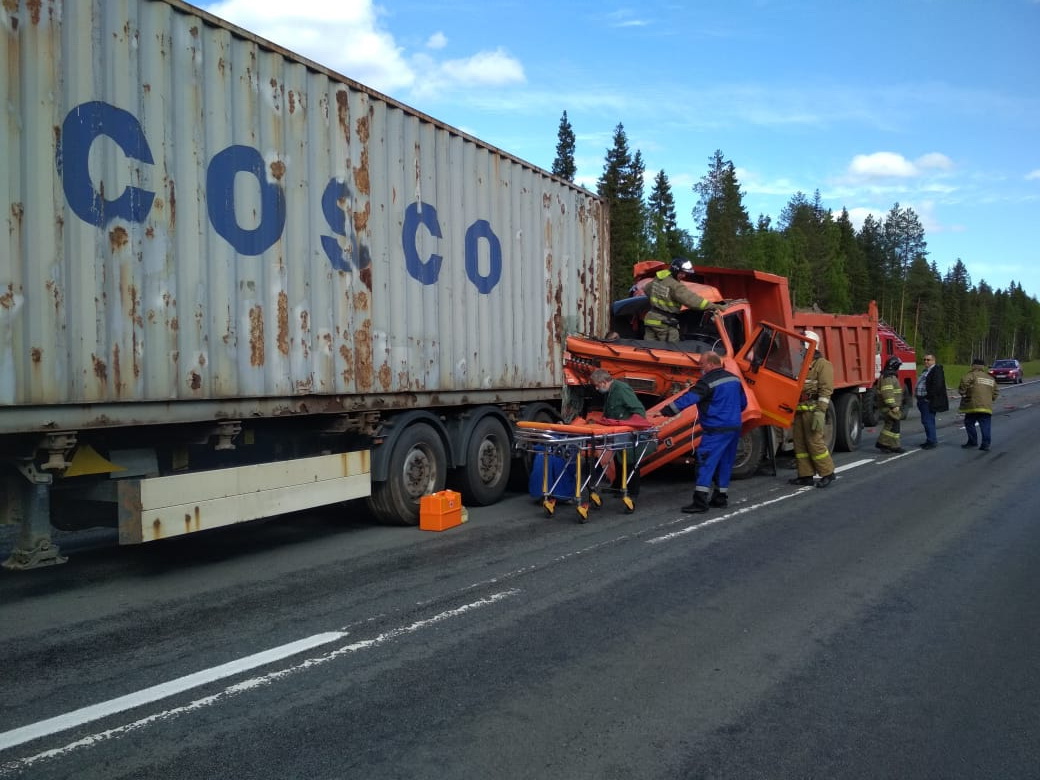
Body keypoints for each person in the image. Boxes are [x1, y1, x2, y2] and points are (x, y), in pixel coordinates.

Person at [660, 352, 748, 512]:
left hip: (716, 429)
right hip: (734, 427)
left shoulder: (707, 382)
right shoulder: (734, 379)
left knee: (705, 462)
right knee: (725, 462)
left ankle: (700, 502)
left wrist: (667, 410)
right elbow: (743, 404)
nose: (700, 368)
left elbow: (689, 398)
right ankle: (721, 498)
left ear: (711, 364)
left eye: (701, 364)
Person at [588, 368, 649, 496]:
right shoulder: (611, 391)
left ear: (604, 382)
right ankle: (619, 486)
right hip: (618, 430)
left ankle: (631, 491)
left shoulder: (621, 389)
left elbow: (638, 410)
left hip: (626, 430)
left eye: (597, 386)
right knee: (619, 458)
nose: (597, 389)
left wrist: (632, 425)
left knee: (629, 460)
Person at [788, 331, 836, 488]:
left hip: (813, 410)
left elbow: (826, 390)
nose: (801, 348)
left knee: (815, 443)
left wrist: (821, 411)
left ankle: (828, 473)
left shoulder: (823, 364)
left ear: (810, 345)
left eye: (803, 345)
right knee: (800, 445)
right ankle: (805, 475)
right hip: (800, 410)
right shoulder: (802, 364)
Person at [643, 258, 723, 342]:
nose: (684, 276)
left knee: (649, 349)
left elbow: (646, 289)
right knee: (671, 351)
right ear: (675, 270)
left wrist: (660, 301)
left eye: (685, 273)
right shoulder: (675, 286)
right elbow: (694, 301)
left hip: (651, 320)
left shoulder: (659, 278)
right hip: (664, 323)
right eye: (682, 273)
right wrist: (715, 306)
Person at [958, 357, 999, 451]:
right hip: (986, 407)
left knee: (969, 422)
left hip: (973, 406)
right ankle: (985, 444)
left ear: (973, 366)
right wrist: (990, 399)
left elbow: (964, 381)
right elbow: (996, 391)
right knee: (985, 425)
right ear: (983, 367)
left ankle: (972, 442)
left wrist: (962, 392)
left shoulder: (972, 375)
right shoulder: (990, 378)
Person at [915, 353, 948, 448]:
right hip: (921, 400)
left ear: (934, 361)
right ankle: (930, 440)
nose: (926, 361)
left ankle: (932, 441)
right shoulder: (926, 371)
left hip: (927, 401)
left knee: (927, 420)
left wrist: (928, 397)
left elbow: (936, 386)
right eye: (924, 359)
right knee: (927, 420)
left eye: (928, 360)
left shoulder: (936, 370)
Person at [875, 356, 905, 453]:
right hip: (889, 407)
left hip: (891, 406)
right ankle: (883, 443)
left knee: (893, 425)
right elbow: (887, 392)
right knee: (892, 424)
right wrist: (892, 405)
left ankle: (892, 445)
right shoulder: (887, 377)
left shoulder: (889, 376)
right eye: (898, 366)